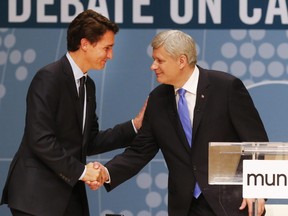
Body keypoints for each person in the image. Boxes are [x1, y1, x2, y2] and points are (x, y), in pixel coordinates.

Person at [90, 30, 269, 216]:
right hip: (186, 207)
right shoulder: (157, 100)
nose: (153, 66)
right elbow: (140, 151)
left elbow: (257, 144)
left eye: (160, 60)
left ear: (181, 61)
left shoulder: (225, 88)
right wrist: (106, 172)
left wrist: (256, 190)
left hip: (234, 204)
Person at [0, 9, 146, 216]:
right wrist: (83, 172)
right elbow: (40, 139)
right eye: (107, 48)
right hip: (36, 197)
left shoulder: (88, 86)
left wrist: (135, 125)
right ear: (85, 44)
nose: (110, 56)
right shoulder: (49, 78)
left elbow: (90, 141)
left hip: (69, 195)